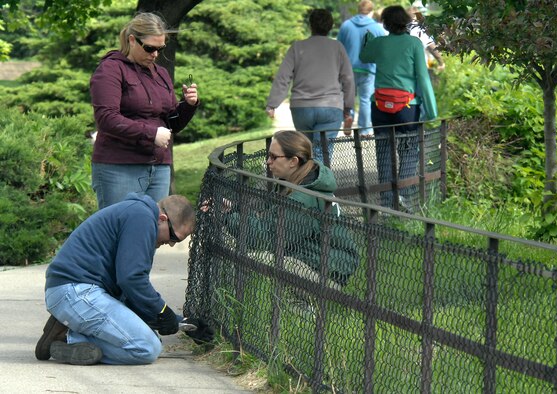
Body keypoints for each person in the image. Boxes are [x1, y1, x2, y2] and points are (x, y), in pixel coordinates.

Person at [35, 193, 211, 365]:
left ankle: (68, 329)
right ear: (162, 218)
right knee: (147, 348)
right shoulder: (141, 218)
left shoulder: (138, 214)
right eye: (173, 237)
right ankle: (68, 337)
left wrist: (181, 322)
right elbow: (131, 279)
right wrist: (162, 311)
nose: (171, 244)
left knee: (148, 337)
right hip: (75, 292)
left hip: (76, 292)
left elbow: (129, 291)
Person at [217, 130, 360, 287]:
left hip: (327, 273)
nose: (267, 162)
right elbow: (269, 224)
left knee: (253, 259)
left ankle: (302, 310)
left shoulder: (302, 198)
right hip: (315, 261)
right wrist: (234, 209)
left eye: (273, 157)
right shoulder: (299, 181)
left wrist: (228, 216)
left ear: (293, 161)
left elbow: (267, 241)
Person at [90, 12, 200, 210]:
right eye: (150, 48)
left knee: (152, 235)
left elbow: (171, 123)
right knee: (119, 232)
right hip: (119, 167)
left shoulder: (161, 74)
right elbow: (106, 119)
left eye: (160, 48)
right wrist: (151, 133)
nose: (155, 54)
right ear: (132, 40)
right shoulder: (110, 69)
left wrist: (188, 106)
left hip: (159, 168)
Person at [360, 5, 437, 210]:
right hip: (407, 108)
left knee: (384, 153)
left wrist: (367, 42)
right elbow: (422, 77)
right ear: (405, 22)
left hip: (380, 107)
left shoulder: (379, 43)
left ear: (385, 23)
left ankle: (387, 202)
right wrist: (432, 109)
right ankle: (403, 196)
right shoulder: (413, 43)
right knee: (410, 150)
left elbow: (365, 57)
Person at [266, 9, 355, 164]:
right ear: (330, 26)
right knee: (323, 152)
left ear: (310, 25)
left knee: (305, 152)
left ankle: (307, 185)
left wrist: (272, 104)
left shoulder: (297, 47)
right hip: (330, 107)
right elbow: (347, 78)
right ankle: (320, 186)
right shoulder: (337, 47)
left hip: (301, 108)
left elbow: (283, 77)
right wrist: (348, 106)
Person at [337, 0, 386, 135]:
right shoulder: (377, 28)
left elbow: (338, 47)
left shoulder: (346, 26)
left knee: (349, 97)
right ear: (371, 11)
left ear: (358, 9)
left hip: (348, 68)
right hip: (368, 68)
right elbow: (383, 49)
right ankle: (365, 129)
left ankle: (349, 116)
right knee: (365, 99)